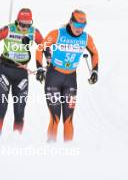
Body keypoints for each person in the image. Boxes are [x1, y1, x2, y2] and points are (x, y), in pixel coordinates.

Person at [36, 9, 99, 142]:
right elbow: (40, 48)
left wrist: (94, 71)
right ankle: (50, 150)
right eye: (77, 25)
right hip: (53, 77)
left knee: (68, 119)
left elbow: (95, 53)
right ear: (70, 22)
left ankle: (68, 153)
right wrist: (40, 68)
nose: (79, 29)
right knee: (55, 118)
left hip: (70, 79)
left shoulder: (86, 38)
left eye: (83, 26)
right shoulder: (57, 34)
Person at [0, 8, 44, 136]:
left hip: (21, 74)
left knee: (19, 111)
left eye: (28, 25)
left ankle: (15, 141)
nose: (25, 28)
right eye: (22, 25)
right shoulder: (8, 29)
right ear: (17, 22)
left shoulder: (34, 32)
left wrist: (42, 67)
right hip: (4, 71)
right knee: (2, 107)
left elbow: (45, 47)